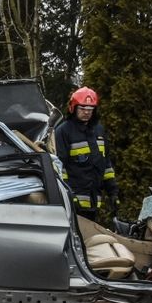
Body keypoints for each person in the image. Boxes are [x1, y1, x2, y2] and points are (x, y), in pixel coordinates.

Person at [54, 86, 119, 222]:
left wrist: (113, 192)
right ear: (73, 108)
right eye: (82, 109)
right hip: (74, 201)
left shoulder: (99, 130)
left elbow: (106, 163)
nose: (86, 112)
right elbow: (60, 166)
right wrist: (68, 193)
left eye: (90, 109)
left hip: (94, 200)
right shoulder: (63, 131)